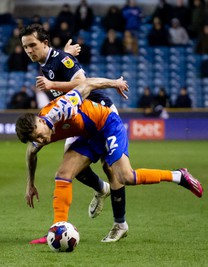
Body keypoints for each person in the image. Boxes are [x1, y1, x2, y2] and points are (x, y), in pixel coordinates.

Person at [15, 77, 203, 242]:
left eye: (39, 135)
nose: (42, 140)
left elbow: (86, 84)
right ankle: (59, 229)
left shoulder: (61, 108)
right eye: (36, 139)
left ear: (40, 121)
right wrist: (30, 184)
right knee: (63, 174)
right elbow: (31, 152)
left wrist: (116, 83)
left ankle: (178, 176)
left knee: (126, 177)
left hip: (107, 124)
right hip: (88, 135)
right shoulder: (39, 134)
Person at [20, 24, 125, 244]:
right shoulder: (47, 62)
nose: (29, 50)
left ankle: (119, 224)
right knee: (70, 170)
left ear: (45, 43)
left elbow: (82, 83)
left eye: (32, 45)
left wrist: (52, 83)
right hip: (74, 118)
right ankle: (95, 195)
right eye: (25, 47)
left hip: (98, 112)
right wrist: (30, 182)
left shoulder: (58, 60)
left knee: (111, 168)